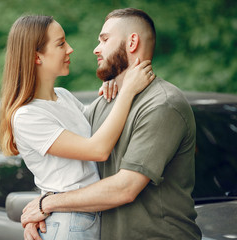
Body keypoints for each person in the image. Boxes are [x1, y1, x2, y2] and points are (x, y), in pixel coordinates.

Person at [21, 8, 202, 240]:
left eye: (104, 39)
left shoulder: (163, 104)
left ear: (132, 42)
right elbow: (68, 170)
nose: (96, 48)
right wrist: (42, 215)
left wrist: (47, 204)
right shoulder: (104, 103)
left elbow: (125, 188)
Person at [0, 15, 154, 240]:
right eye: (60, 44)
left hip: (90, 218)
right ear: (36, 56)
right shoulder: (27, 116)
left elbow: (104, 128)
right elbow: (97, 149)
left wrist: (115, 84)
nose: (70, 49)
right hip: (70, 224)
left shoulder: (63, 97)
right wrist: (127, 91)